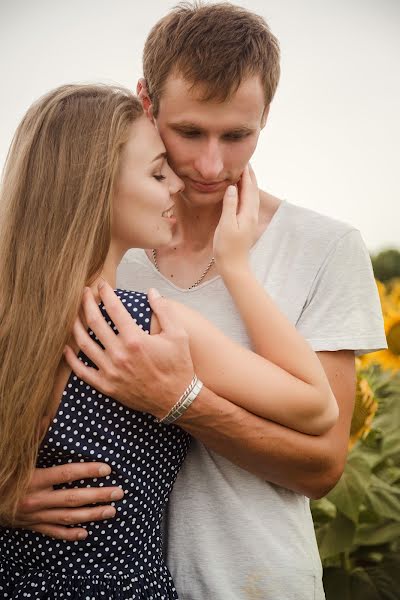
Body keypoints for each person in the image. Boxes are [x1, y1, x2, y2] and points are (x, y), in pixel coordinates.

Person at [6, 3, 386, 600]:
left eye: (237, 136)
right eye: (188, 133)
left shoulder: (326, 247)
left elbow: (324, 467)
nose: (210, 166)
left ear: (266, 116)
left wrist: (180, 400)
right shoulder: (104, 242)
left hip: (254, 582)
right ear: (146, 103)